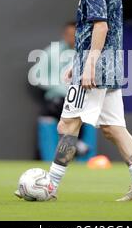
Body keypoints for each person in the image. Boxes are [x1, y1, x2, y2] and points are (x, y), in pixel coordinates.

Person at [17, 0, 132, 201]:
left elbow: (100, 27)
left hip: (95, 68)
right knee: (114, 128)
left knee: (67, 126)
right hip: (112, 66)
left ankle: (50, 186)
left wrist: (87, 65)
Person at [32, 22, 95, 161]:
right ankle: (51, 161)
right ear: (63, 35)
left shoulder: (88, 52)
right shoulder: (52, 51)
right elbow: (35, 75)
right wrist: (57, 87)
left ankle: (84, 157)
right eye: (68, 34)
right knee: (47, 116)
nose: (71, 38)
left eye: (75, 35)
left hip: (82, 100)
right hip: (56, 101)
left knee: (91, 119)